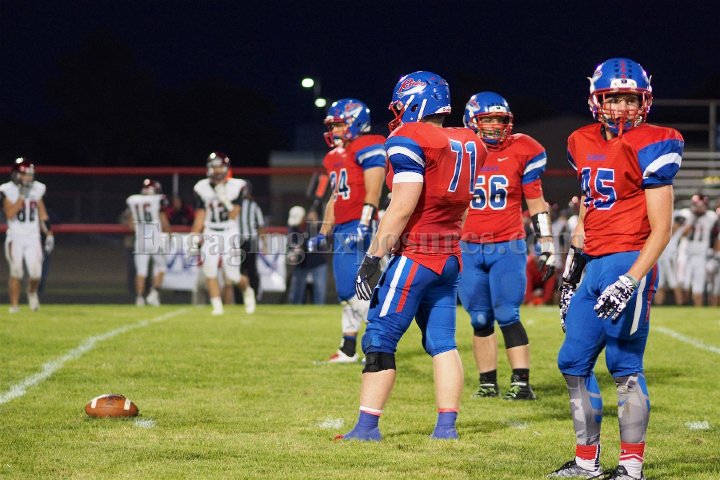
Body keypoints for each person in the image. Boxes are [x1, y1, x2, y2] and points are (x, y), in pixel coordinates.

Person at [550, 58, 683, 480]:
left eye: (631, 99)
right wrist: (572, 272)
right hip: (593, 264)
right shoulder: (580, 140)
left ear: (644, 102)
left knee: (624, 364)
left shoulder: (655, 142)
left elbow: (662, 229)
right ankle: (586, 462)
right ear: (597, 100)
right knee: (572, 360)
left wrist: (631, 280)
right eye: (614, 98)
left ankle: (630, 467)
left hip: (629, 259)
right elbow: (588, 208)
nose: (623, 108)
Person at [336, 71, 487, 441]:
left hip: (417, 255)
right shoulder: (469, 141)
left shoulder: (410, 138)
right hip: (449, 257)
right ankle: (446, 428)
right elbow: (462, 208)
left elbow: (402, 207)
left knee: (379, 337)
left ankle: (366, 428)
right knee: (442, 342)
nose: (398, 113)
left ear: (416, 102)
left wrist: (373, 256)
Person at [458, 91, 555, 400]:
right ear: (472, 121)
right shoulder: (458, 151)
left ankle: (521, 383)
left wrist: (547, 241)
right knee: (479, 318)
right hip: (468, 248)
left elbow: (536, 200)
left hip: (507, 246)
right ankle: (487, 383)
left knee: (507, 313)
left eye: (499, 120)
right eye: (487, 120)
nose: (494, 126)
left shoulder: (523, 149)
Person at [308, 98, 387, 363]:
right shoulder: (334, 157)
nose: (334, 131)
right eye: (333, 126)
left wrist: (364, 224)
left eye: (339, 125)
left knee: (348, 289)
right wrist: (323, 232)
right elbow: (334, 198)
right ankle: (349, 347)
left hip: (359, 224)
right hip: (343, 226)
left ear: (356, 123)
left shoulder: (368, 145)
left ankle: (381, 340)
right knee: (350, 291)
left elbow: (374, 190)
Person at [189, 151, 246, 316]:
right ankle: (217, 306)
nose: (217, 170)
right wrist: (194, 234)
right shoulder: (201, 187)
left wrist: (224, 199)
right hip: (211, 231)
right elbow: (200, 214)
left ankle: (247, 289)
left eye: (220, 167)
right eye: (214, 167)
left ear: (226, 168)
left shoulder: (237, 186)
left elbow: (234, 214)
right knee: (210, 270)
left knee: (233, 276)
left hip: (229, 231)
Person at [0, 157, 54, 312]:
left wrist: (49, 234)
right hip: (15, 236)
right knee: (16, 271)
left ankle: (31, 292)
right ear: (16, 174)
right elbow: (10, 214)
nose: (28, 178)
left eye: (30, 175)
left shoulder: (37, 189)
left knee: (36, 274)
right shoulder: (7, 189)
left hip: (33, 237)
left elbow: (42, 213)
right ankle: (14, 306)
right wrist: (21, 196)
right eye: (24, 174)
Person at [126, 179, 171, 306]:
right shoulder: (158, 200)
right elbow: (164, 223)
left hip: (140, 240)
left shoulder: (134, 200)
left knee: (141, 271)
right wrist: (169, 234)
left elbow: (131, 225)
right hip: (155, 239)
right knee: (161, 267)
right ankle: (154, 293)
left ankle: (139, 298)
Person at [225, 180, 263, 313]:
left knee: (249, 271)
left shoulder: (253, 205)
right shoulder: (234, 205)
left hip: (248, 241)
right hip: (237, 241)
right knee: (239, 272)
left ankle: (252, 297)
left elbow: (260, 226)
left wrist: (264, 243)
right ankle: (242, 299)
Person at [678, 193, 717, 306]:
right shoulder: (686, 214)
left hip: (701, 255)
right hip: (685, 253)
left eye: (702, 206)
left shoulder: (711, 216)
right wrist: (692, 221)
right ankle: (682, 305)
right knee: (682, 283)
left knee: (698, 285)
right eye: (697, 205)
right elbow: (682, 234)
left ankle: (697, 307)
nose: (699, 208)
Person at [287, 206, 328, 304]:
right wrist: (295, 250)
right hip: (301, 264)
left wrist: (316, 225)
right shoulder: (293, 228)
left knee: (319, 292)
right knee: (297, 293)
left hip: (318, 262)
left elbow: (322, 239)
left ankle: (319, 311)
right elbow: (292, 244)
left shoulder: (315, 226)